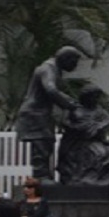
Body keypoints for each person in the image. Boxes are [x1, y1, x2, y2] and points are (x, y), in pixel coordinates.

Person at [15, 45, 82, 182]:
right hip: (35, 113)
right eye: (74, 62)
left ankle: (45, 175)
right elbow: (50, 89)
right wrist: (68, 104)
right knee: (42, 144)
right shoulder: (48, 68)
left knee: (46, 143)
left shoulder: (54, 68)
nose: (75, 66)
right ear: (66, 58)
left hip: (41, 113)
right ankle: (40, 176)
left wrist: (69, 102)